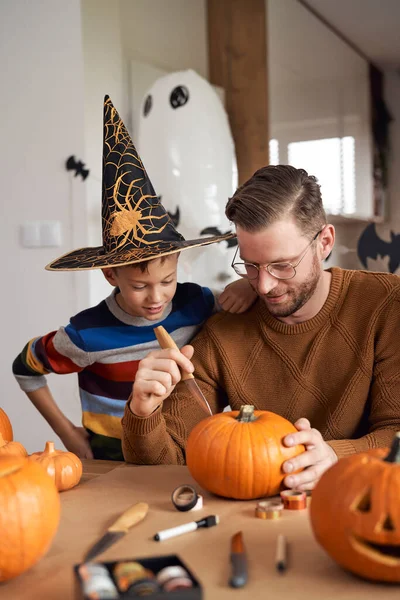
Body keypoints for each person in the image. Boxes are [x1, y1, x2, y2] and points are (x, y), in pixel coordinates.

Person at [121, 164, 400, 490]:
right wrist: (143, 411)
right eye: (251, 266)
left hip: (369, 500)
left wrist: (335, 456)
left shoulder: (386, 304)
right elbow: (168, 467)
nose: (265, 286)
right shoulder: (223, 332)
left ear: (324, 242)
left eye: (282, 266)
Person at [12, 96, 256, 461]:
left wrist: (244, 285)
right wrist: (70, 436)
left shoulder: (197, 301)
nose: (156, 297)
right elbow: (24, 368)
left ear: (178, 266)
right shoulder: (85, 333)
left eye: (167, 280)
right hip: (113, 460)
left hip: (186, 452)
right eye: (139, 287)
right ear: (111, 274)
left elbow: (242, 304)